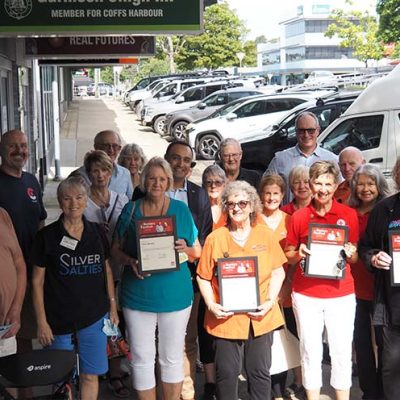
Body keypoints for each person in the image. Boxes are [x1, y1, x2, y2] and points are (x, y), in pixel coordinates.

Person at [111, 157, 201, 400]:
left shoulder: (180, 210)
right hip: (138, 295)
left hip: (175, 295)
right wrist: (130, 261)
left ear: (169, 182)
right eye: (152, 178)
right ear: (143, 181)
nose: (157, 183)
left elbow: (198, 251)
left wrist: (186, 248)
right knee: (141, 358)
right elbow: (114, 251)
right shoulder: (131, 210)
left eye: (162, 179)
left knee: (172, 357)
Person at [197, 180, 287, 400]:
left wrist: (270, 301)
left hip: (260, 316)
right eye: (231, 204)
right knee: (226, 374)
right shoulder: (215, 238)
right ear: (225, 207)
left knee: (259, 373)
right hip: (225, 319)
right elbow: (203, 276)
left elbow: (278, 271)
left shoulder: (265, 235)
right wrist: (211, 304)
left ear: (252, 205)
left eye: (242, 203)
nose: (236, 208)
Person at [31, 176, 119, 400]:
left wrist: (112, 307)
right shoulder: (46, 237)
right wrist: (41, 322)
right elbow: (37, 281)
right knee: (61, 379)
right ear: (60, 201)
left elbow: (107, 270)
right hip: (58, 320)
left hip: (94, 317)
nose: (74, 203)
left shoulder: (97, 233)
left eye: (79, 197)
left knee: (91, 375)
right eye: (67, 198)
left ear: (86, 200)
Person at [285, 161, 359, 400]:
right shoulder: (299, 216)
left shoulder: (348, 214)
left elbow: (355, 257)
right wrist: (298, 254)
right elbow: (288, 253)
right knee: (310, 350)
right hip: (306, 295)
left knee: (341, 350)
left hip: (341, 294)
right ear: (310, 184)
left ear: (336, 185)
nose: (323, 189)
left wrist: (351, 252)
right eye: (318, 183)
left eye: (328, 184)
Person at [164, 141, 213, 400]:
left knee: (188, 339)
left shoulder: (199, 195)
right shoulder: (148, 190)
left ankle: (187, 392)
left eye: (186, 160)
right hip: (155, 280)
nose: (180, 164)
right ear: (166, 159)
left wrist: (191, 252)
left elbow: (205, 237)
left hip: (188, 277)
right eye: (175, 158)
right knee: (160, 341)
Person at [83, 150, 130, 397]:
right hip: (93, 273)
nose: (100, 175)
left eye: (104, 170)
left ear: (111, 173)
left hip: (120, 268)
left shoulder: (122, 199)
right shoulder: (82, 201)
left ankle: (115, 372)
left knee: (117, 321)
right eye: (95, 171)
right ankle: (95, 368)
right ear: (88, 174)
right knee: (96, 322)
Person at [258, 174, 305, 400]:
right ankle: (269, 388)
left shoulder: (290, 220)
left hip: (285, 289)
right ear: (261, 195)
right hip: (261, 290)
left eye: (276, 193)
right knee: (267, 341)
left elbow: (295, 257)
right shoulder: (253, 219)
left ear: (282, 194)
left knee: (289, 337)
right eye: (267, 193)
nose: (271, 197)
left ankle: (294, 383)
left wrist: (287, 284)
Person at [0, 129, 47, 350]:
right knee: (9, 333)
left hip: (31, 269)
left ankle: (23, 374)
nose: (20, 150)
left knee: (26, 333)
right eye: (13, 146)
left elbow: (40, 221)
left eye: (24, 146)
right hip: (7, 275)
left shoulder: (31, 181)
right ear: (2, 150)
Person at [358, 158, 400, 400]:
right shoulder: (384, 209)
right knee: (391, 369)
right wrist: (373, 257)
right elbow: (365, 246)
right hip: (391, 305)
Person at [348, 164, 390, 400]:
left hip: (382, 287)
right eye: (361, 184)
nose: (365, 189)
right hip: (354, 287)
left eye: (371, 183)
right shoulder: (349, 213)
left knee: (385, 343)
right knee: (362, 342)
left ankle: (385, 390)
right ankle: (369, 391)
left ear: (379, 185)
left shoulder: (388, 211)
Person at [265, 111, 338, 204]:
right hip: (289, 212)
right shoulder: (280, 159)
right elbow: (266, 189)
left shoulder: (332, 160)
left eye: (310, 130)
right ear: (296, 132)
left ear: (318, 130)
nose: (306, 135)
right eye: (301, 131)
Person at [72, 130, 133, 198]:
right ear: (96, 147)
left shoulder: (125, 174)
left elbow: (131, 201)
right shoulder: (79, 176)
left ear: (119, 148)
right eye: (106, 146)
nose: (111, 150)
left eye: (115, 146)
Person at [0, 207, 27, 357]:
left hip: (6, 328)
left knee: (8, 369)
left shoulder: (2, 215)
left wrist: (16, 309)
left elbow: (19, 263)